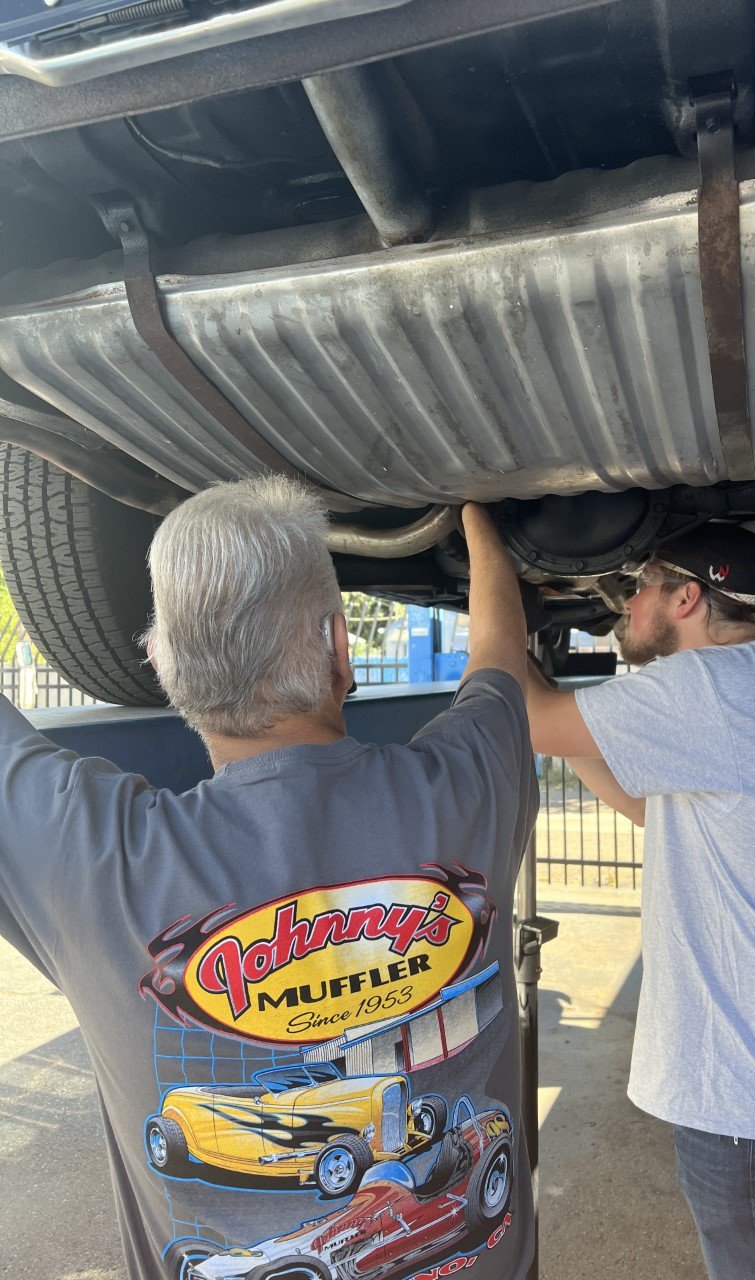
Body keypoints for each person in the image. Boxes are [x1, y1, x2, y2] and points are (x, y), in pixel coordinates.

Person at [0, 480, 537, 1280]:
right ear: (341, 647)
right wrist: (478, 519)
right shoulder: (468, 788)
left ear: (161, 666)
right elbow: (500, 662)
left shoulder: (92, 858)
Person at [519, 523, 755, 1280]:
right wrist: (572, 734)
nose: (628, 605)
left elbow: (521, 713)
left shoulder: (713, 687)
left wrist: (489, 572)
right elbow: (667, 813)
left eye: (641, 587)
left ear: (686, 596)